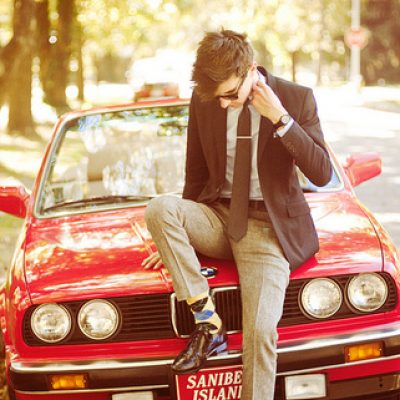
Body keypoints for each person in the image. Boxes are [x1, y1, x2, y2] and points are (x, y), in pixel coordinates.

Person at [143, 29, 332, 400]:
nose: (225, 103)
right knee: (159, 208)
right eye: (219, 97)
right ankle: (208, 323)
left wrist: (281, 119)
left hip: (267, 229)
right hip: (217, 217)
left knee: (260, 333)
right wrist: (176, 239)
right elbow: (195, 172)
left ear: (250, 69)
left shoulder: (296, 98)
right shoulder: (206, 101)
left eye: (231, 94)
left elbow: (322, 173)